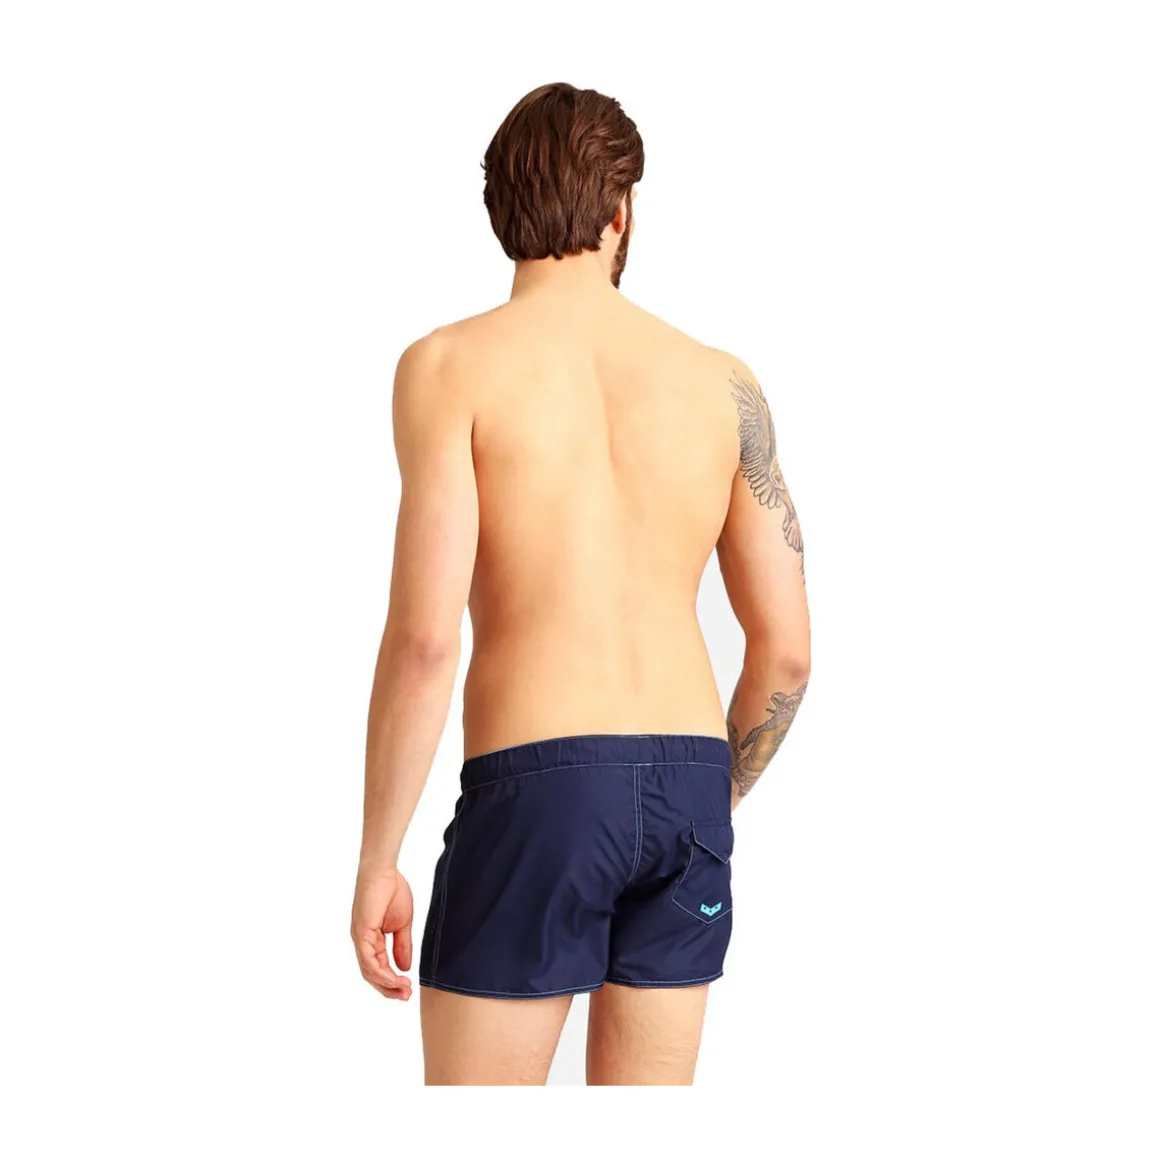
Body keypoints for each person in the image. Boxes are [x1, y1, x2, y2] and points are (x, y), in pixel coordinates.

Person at [350, 82, 810, 1085]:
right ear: (622, 210)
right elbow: (785, 652)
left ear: (500, 206)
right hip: (691, 784)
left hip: (538, 785)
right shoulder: (722, 382)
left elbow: (425, 640)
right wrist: (708, 798)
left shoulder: (448, 366)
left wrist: (379, 857)